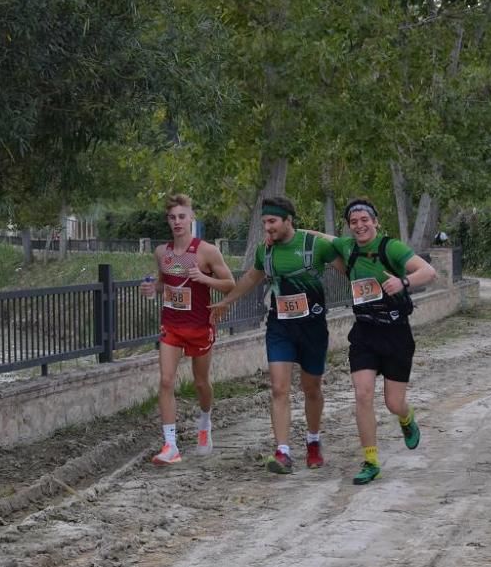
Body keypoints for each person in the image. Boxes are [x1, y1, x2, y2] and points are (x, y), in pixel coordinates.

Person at [208, 197, 343, 474]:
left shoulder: (313, 246)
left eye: (272, 222)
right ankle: (282, 452)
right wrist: (226, 302)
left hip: (313, 328)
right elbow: (250, 278)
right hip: (279, 327)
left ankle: (313, 442)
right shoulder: (265, 252)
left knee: (311, 388)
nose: (267, 228)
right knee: (279, 388)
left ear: (287, 221)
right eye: (264, 223)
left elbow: (347, 260)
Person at [315, 199, 437, 484]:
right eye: (353, 222)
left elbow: (428, 272)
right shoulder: (347, 247)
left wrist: (403, 282)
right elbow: (325, 238)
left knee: (394, 403)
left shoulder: (390, 247)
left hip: (395, 332)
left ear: (375, 221)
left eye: (364, 220)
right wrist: (292, 230)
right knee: (362, 394)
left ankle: (406, 419)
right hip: (365, 331)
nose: (359, 225)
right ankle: (370, 460)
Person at [139, 194, 235, 465]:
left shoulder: (206, 251)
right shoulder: (162, 253)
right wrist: (152, 288)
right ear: (167, 221)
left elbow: (230, 283)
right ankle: (170, 445)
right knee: (166, 380)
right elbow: (164, 283)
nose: (177, 222)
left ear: (192, 217)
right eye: (172, 217)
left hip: (199, 326)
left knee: (200, 382)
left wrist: (204, 278)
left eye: (182, 216)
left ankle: (204, 423)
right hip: (171, 325)